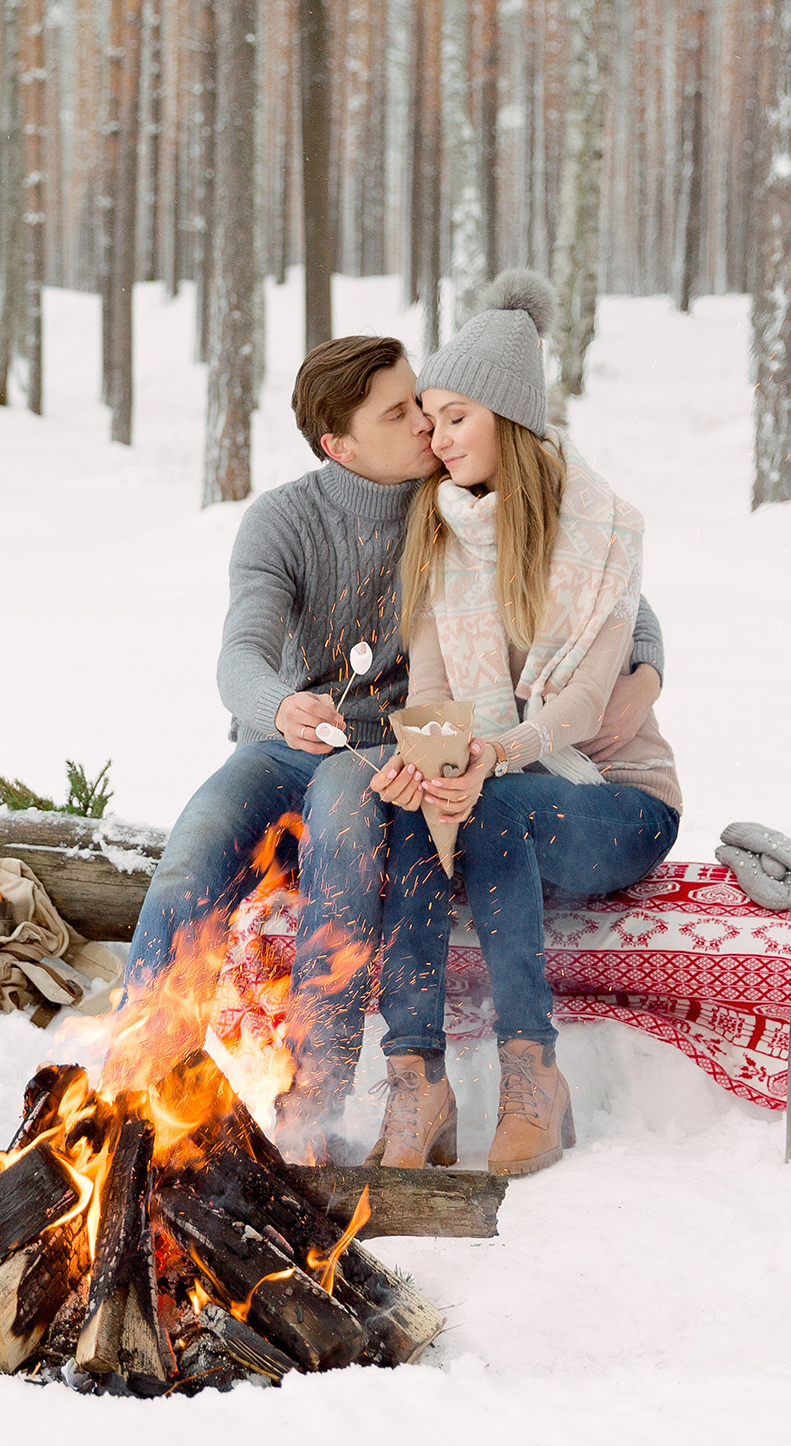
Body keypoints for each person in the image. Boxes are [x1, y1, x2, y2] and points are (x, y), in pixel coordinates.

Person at [108, 325, 667, 1109]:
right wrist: (276, 704)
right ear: (341, 446)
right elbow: (240, 652)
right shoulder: (282, 521)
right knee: (192, 851)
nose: (427, 426)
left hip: (387, 756)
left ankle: (316, 1091)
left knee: (343, 814)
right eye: (401, 413)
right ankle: (132, 1081)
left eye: (427, 405)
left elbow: (601, 575)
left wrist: (647, 663)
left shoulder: (456, 500)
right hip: (283, 744)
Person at [299, 269, 682, 1178]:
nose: (435, 435)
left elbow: (585, 705)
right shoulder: (439, 528)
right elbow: (429, 688)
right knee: (420, 804)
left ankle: (531, 1075)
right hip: (496, 784)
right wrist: (432, 764)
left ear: (510, 414)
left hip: (614, 798)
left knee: (495, 806)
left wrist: (489, 757)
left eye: (456, 415)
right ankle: (416, 1078)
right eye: (427, 415)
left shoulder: (601, 532)